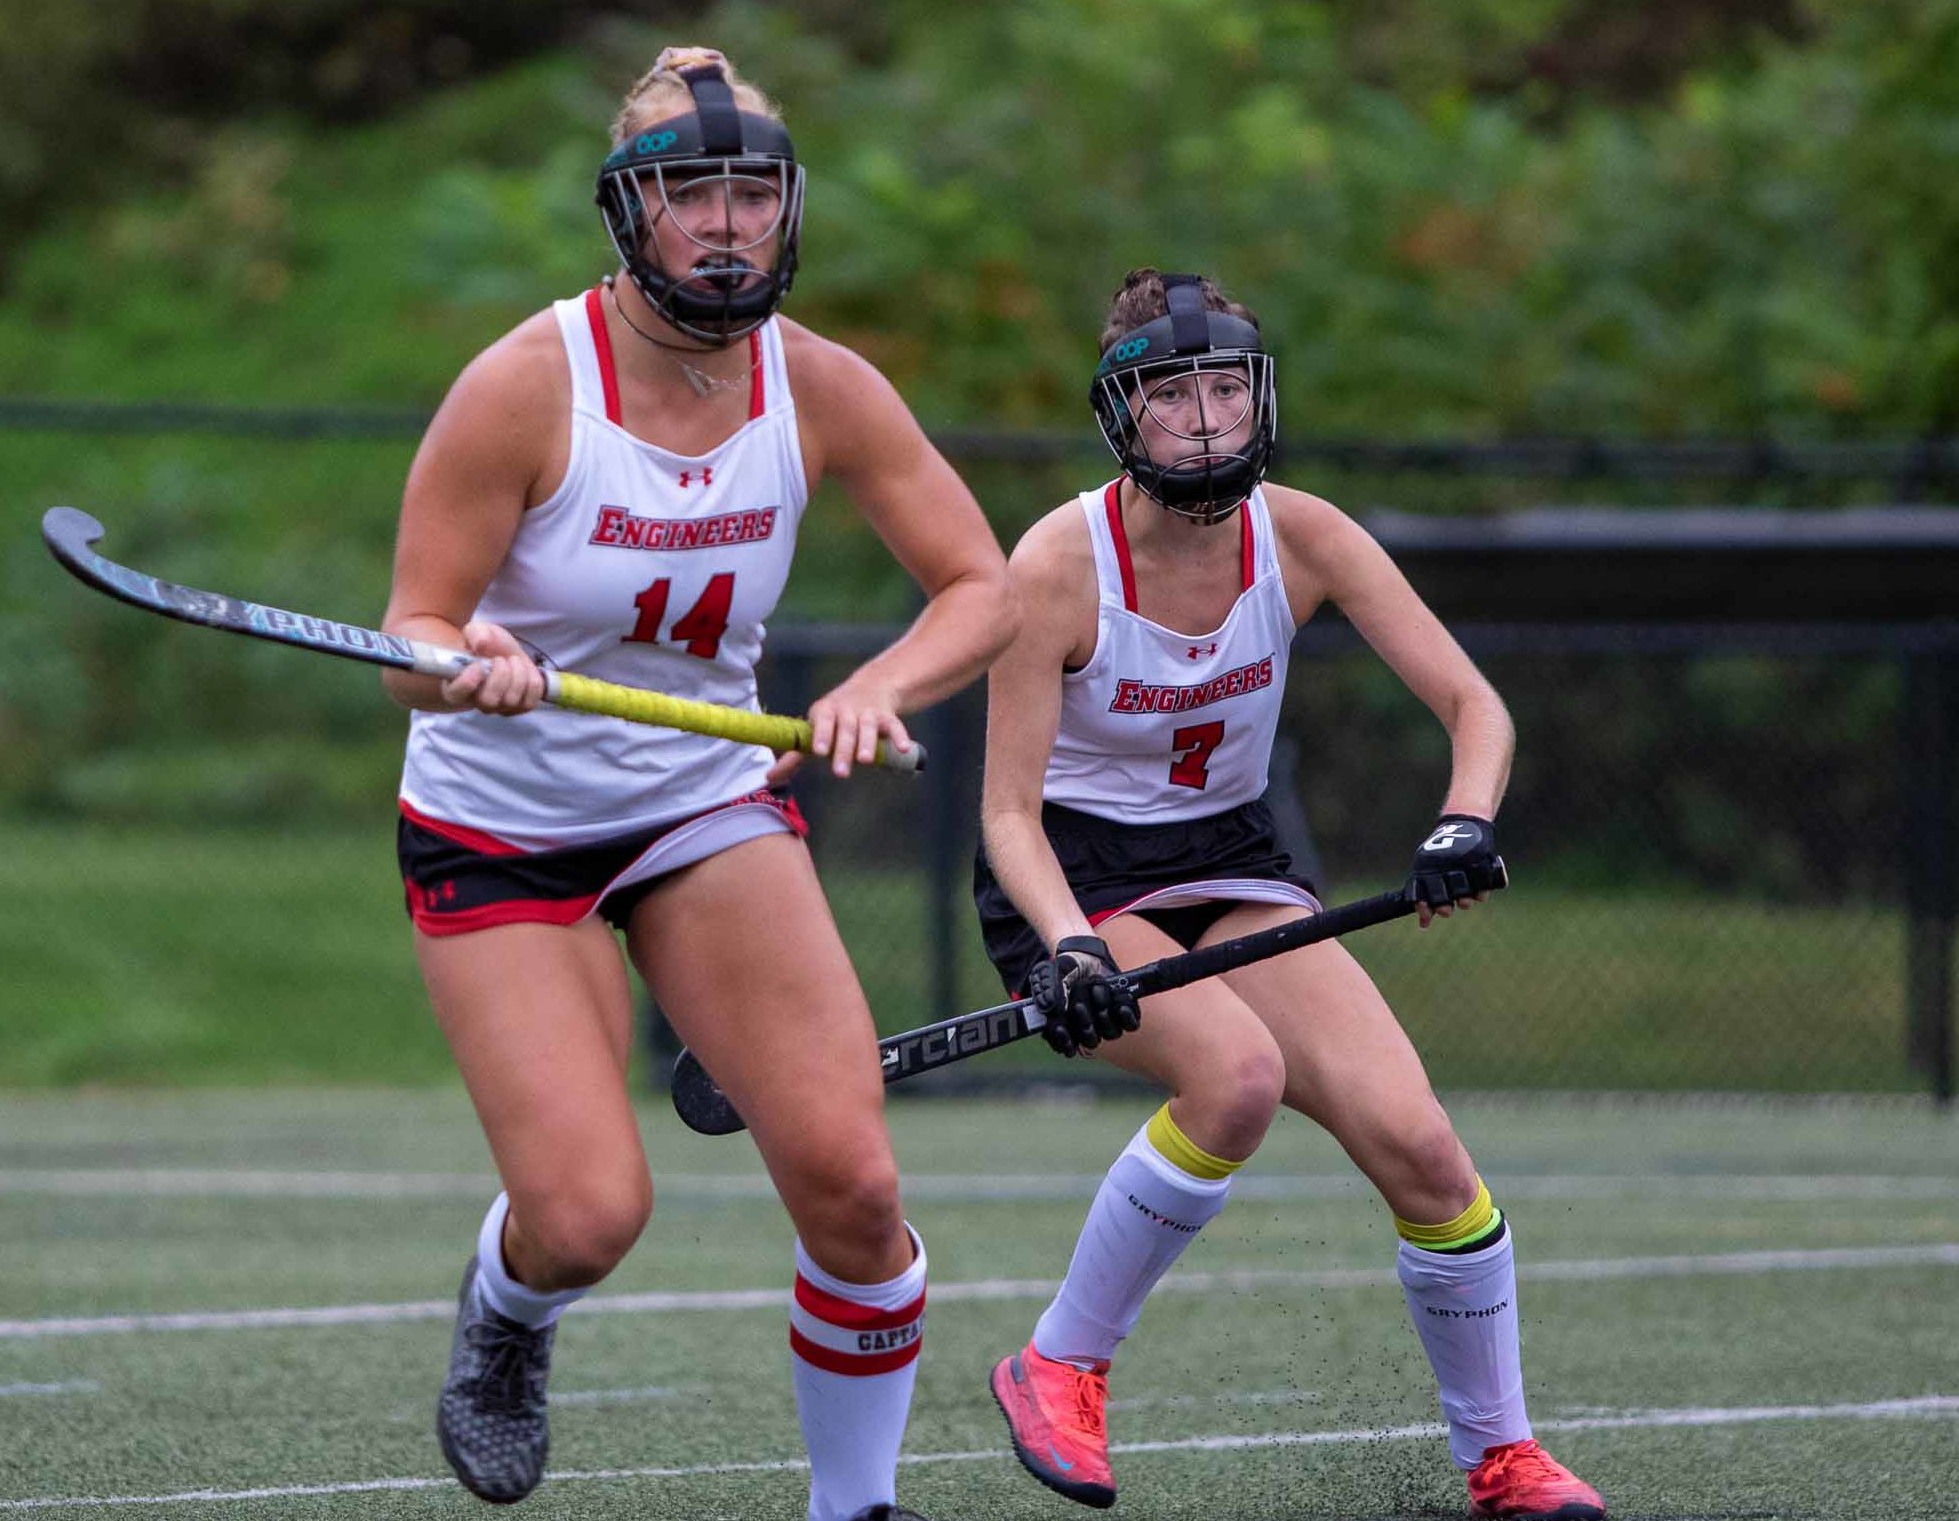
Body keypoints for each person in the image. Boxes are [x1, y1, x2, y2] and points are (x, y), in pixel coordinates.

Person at [379, 47, 1012, 1521]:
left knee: (854, 1186)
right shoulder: (526, 388)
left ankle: (852, 1508)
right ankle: (508, 1310)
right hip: (501, 826)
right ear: (629, 213)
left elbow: (979, 586)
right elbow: (405, 639)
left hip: (700, 803)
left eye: (751, 193)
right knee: (592, 1217)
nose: (725, 224)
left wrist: (875, 688)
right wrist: (462, 651)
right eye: (690, 193)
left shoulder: (824, 386)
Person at [970, 269, 1606, 1519]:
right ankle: (1056, 1366)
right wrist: (1070, 951)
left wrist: (1462, 821)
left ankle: (1502, 1459)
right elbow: (1005, 812)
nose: (1204, 420)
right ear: (1121, 414)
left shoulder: (1304, 534)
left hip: (1238, 863)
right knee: (1236, 1077)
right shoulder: (1054, 564)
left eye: (1224, 388)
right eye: (1171, 395)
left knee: (1423, 1150)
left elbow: (1475, 707)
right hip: (1078, 880)